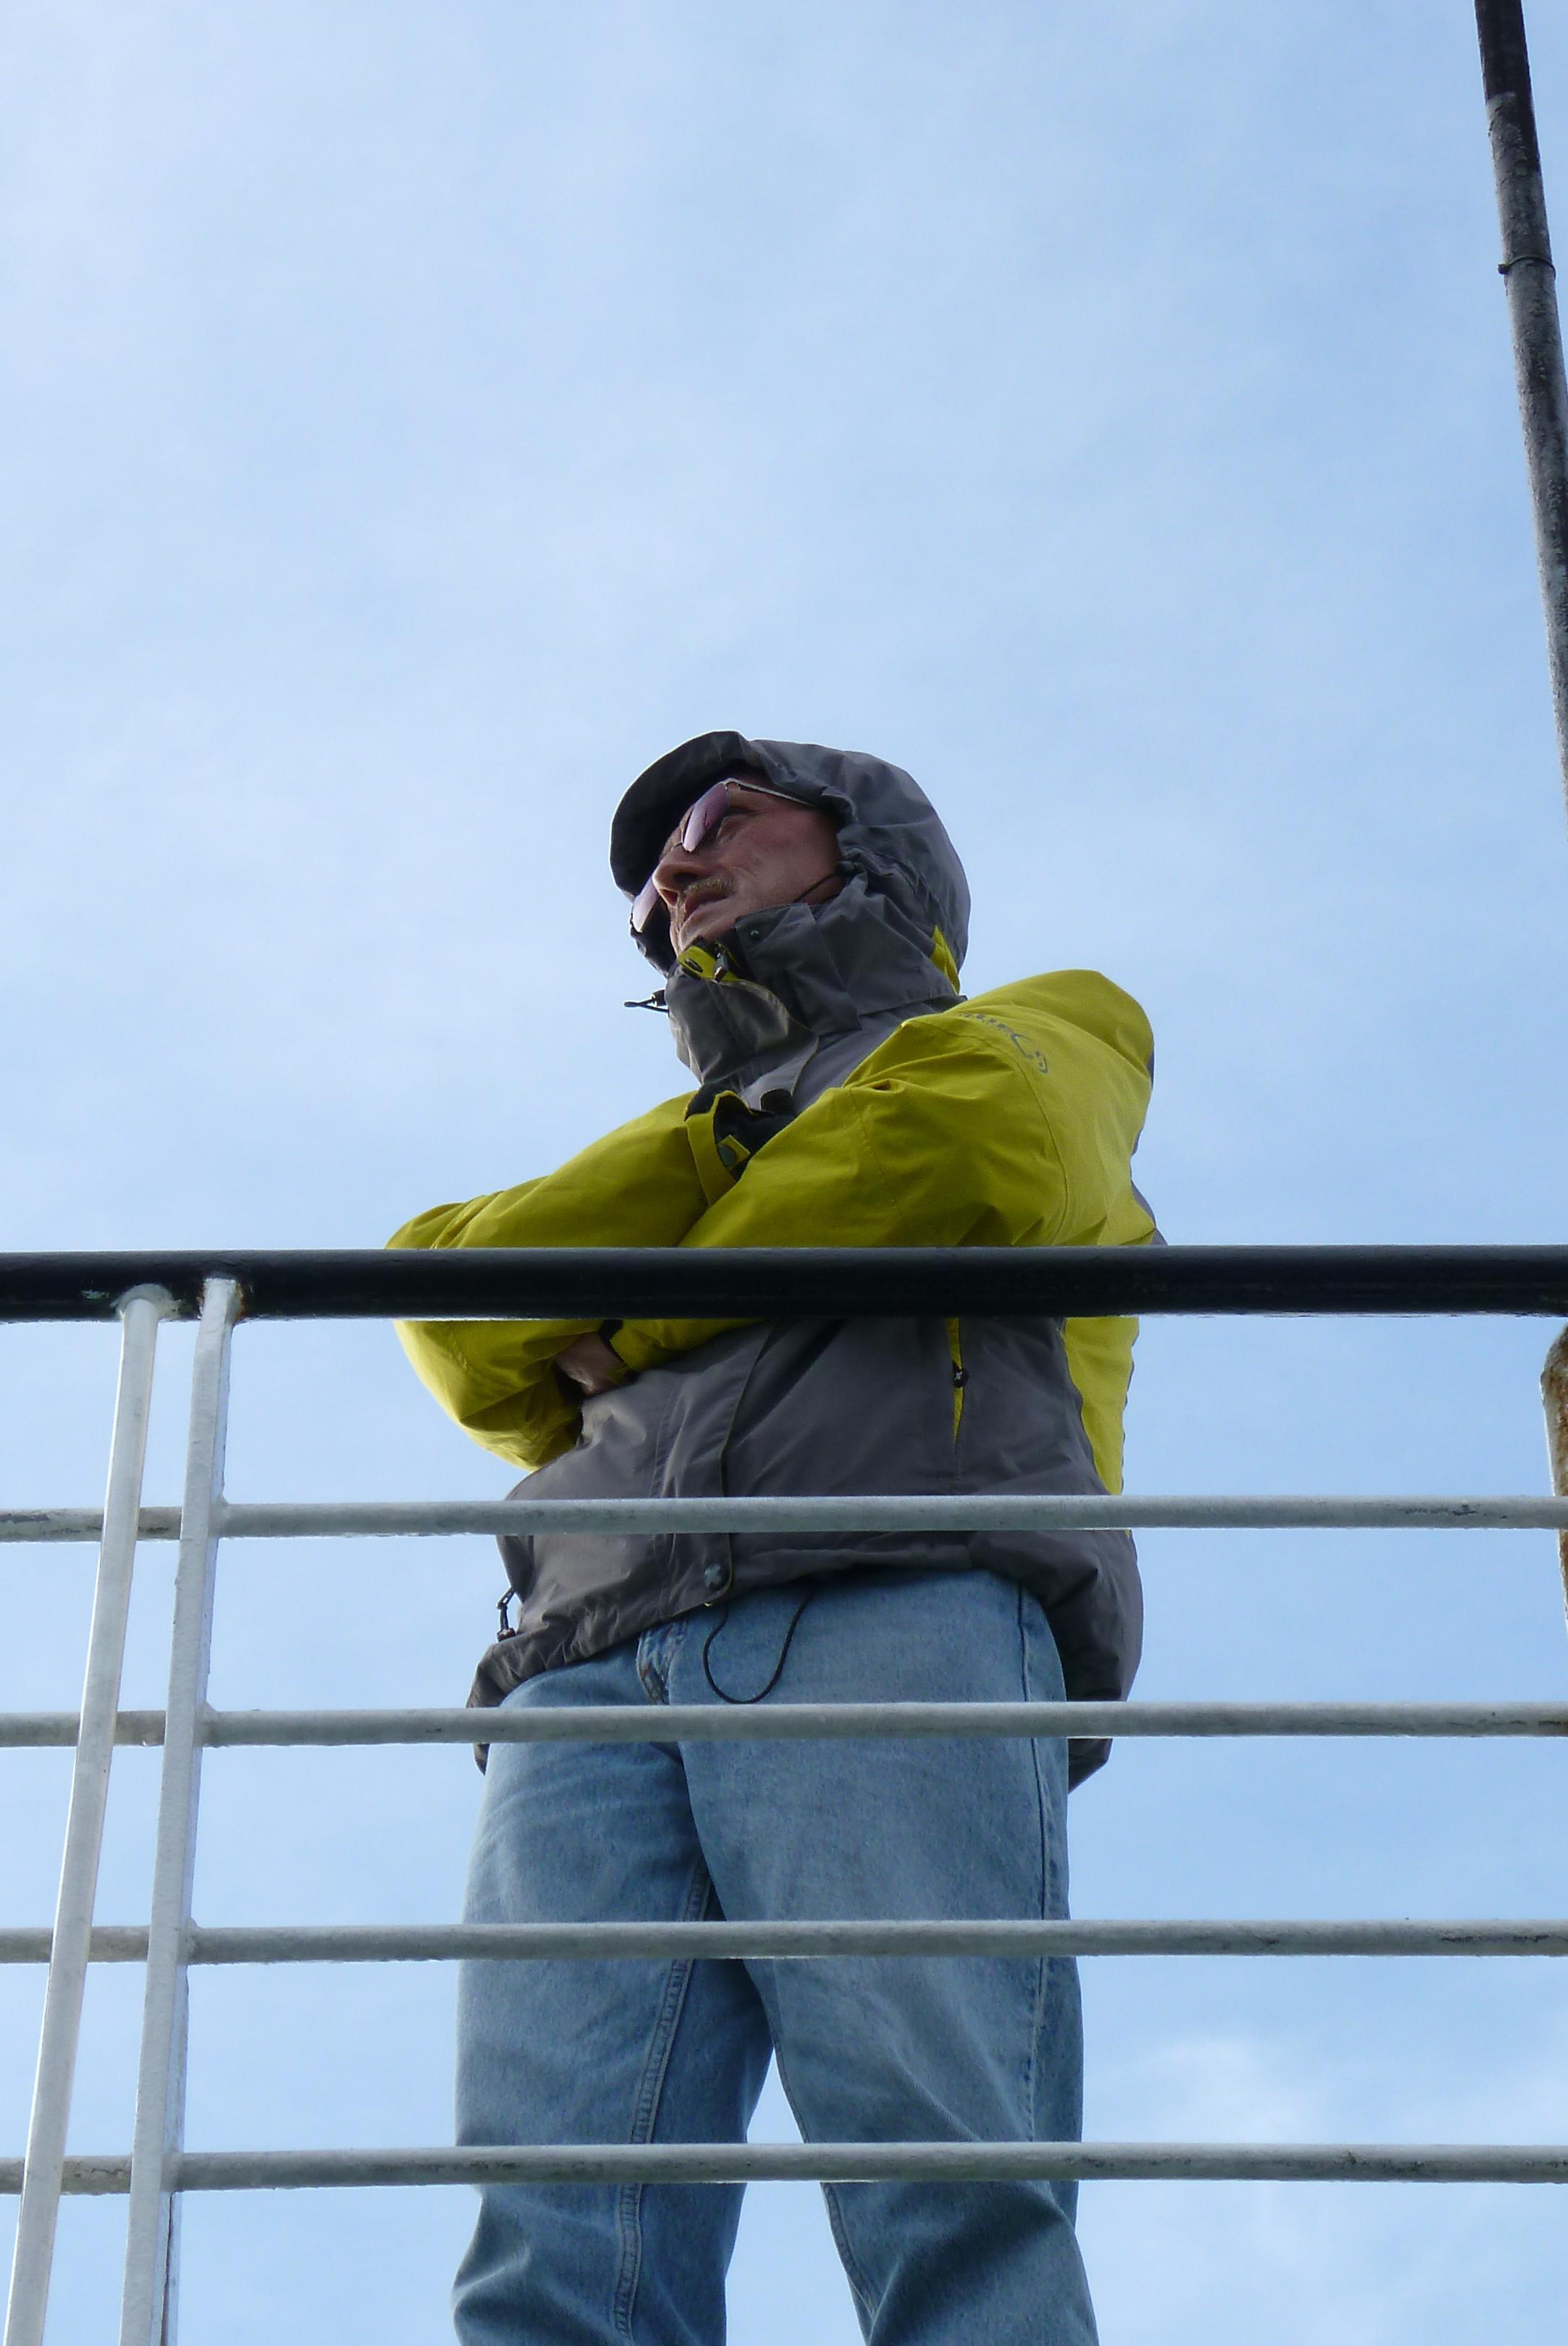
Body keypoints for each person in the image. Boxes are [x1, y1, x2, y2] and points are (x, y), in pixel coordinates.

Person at [390, 732, 1157, 2346]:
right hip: (583, 1670)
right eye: (656, 865)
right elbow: (455, 1306)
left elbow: (954, 1152)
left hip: (894, 1592)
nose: (675, 868)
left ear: (871, 845)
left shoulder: (1048, 1028)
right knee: (553, 2239)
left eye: (726, 819)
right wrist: (721, 1138)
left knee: (945, 2178)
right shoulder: (697, 1136)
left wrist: (630, 1323)